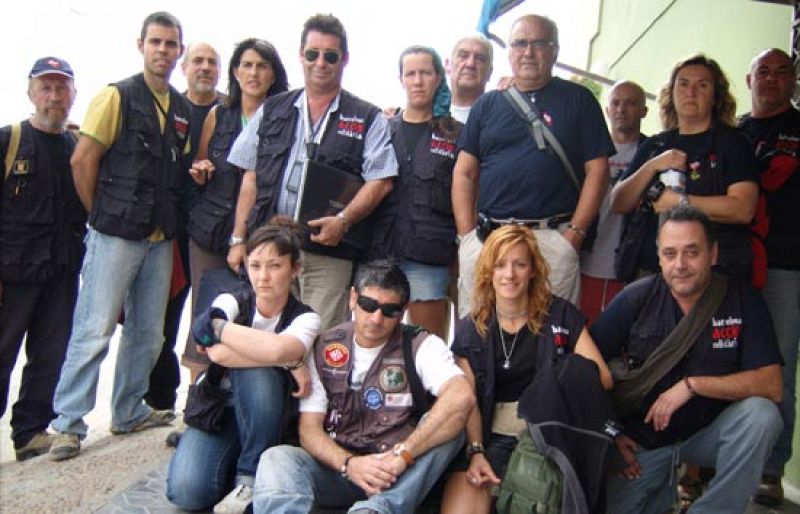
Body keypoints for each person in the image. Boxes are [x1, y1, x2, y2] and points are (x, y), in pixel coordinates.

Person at [49, 11, 191, 461]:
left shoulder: (181, 109)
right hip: (115, 234)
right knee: (95, 328)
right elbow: (82, 160)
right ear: (141, 45)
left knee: (148, 333)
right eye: (156, 42)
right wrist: (101, 216)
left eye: (171, 44)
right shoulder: (116, 96)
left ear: (180, 51)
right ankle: (68, 424)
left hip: (159, 238)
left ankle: (128, 410)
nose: (163, 50)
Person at [590, 205, 783, 514]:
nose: (680, 264)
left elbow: (772, 384)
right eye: (670, 254)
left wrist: (693, 385)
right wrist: (610, 433)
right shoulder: (635, 298)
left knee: (762, 415)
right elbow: (581, 372)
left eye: (692, 252)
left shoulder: (743, 299)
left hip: (708, 435)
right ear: (659, 257)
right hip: (641, 443)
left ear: (713, 254)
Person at [252, 261, 475, 514]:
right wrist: (349, 464)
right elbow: (309, 429)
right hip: (339, 468)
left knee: (451, 425)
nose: (376, 318)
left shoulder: (421, 345)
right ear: (353, 299)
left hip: (398, 473)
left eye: (389, 310)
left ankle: (375, 510)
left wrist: (403, 455)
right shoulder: (325, 346)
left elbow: (461, 395)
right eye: (368, 305)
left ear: (402, 312)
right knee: (277, 458)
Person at [226, 13, 397, 331]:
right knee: (266, 336)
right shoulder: (272, 108)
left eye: (330, 56)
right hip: (273, 249)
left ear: (344, 59)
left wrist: (343, 220)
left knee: (321, 337)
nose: (321, 63)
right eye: (312, 54)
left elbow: (382, 180)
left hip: (328, 253)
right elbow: (249, 175)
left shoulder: (367, 117)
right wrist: (238, 239)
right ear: (300, 56)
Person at [440, 224, 612, 514]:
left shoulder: (560, 314)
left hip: (549, 436)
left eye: (520, 264)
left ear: (533, 270)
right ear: (488, 271)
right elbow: (467, 402)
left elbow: (602, 378)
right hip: (490, 436)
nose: (509, 274)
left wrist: (552, 388)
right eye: (500, 265)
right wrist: (476, 451)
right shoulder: (471, 328)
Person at [453, 14, 614, 318]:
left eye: (538, 43)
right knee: (479, 331)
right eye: (520, 43)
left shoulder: (579, 100)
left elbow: (599, 171)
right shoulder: (486, 105)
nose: (528, 52)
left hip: (552, 240)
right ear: (510, 51)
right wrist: (467, 238)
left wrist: (574, 235)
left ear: (555, 51)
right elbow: (464, 173)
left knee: (553, 334)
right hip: (489, 240)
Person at [167, 222, 320, 514]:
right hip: (220, 410)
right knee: (186, 493)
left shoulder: (305, 318)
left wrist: (221, 331)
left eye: (275, 266)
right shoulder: (231, 300)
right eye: (255, 265)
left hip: (270, 415)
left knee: (258, 373)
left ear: (295, 269)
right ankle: (229, 463)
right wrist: (290, 361)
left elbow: (274, 349)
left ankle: (249, 477)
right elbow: (211, 347)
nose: (263, 277)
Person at [182, 38, 289, 381]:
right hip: (210, 230)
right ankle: (197, 397)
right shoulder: (219, 113)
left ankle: (240, 397)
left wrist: (242, 239)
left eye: (262, 66)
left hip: (259, 237)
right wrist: (201, 171)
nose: (253, 73)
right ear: (235, 72)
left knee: (252, 319)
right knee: (205, 314)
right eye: (247, 65)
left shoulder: (285, 117)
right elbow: (201, 160)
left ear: (274, 74)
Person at [0, 57, 86, 461]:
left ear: (73, 94)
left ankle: (31, 432)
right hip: (12, 272)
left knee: (50, 355)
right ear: (31, 92)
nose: (54, 96)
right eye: (46, 87)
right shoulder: (9, 141)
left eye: (61, 88)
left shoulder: (78, 147)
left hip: (62, 271)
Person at [610, 54, 758, 282]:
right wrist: (652, 165)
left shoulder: (733, 143)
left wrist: (680, 202)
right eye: (683, 84)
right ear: (672, 92)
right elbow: (618, 202)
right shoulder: (656, 145)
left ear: (716, 96)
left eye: (702, 85)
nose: (691, 92)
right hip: (650, 271)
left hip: (711, 275)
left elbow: (743, 209)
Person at [146, 41, 225, 413]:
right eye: (198, 61)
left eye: (212, 62)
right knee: (161, 317)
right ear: (184, 66)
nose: (205, 67)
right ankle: (159, 399)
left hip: (213, 232)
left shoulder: (229, 110)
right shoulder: (170, 107)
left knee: (209, 316)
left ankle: (209, 398)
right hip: (171, 230)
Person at [739, 47, 800, 506]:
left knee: (776, 367)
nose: (772, 79)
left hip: (786, 266)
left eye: (782, 71)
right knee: (723, 361)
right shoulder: (735, 132)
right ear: (749, 80)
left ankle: (770, 469)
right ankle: (717, 460)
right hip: (733, 263)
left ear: (793, 80)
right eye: (764, 71)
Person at [366, 46, 461, 340]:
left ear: (438, 78)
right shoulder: (381, 129)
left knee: (427, 345)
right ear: (401, 79)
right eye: (410, 74)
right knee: (375, 341)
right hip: (380, 254)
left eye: (425, 73)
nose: (417, 81)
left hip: (429, 257)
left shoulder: (456, 134)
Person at [579, 80, 648, 323]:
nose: (622, 109)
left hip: (633, 264)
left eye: (630, 103)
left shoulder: (652, 152)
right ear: (607, 110)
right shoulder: (587, 151)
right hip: (588, 259)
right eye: (616, 103)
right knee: (585, 328)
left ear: (644, 111)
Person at [446, 34, 493, 124]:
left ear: (490, 72)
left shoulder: (499, 116)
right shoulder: (427, 114)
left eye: (480, 59)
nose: (470, 64)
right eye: (463, 56)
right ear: (448, 65)